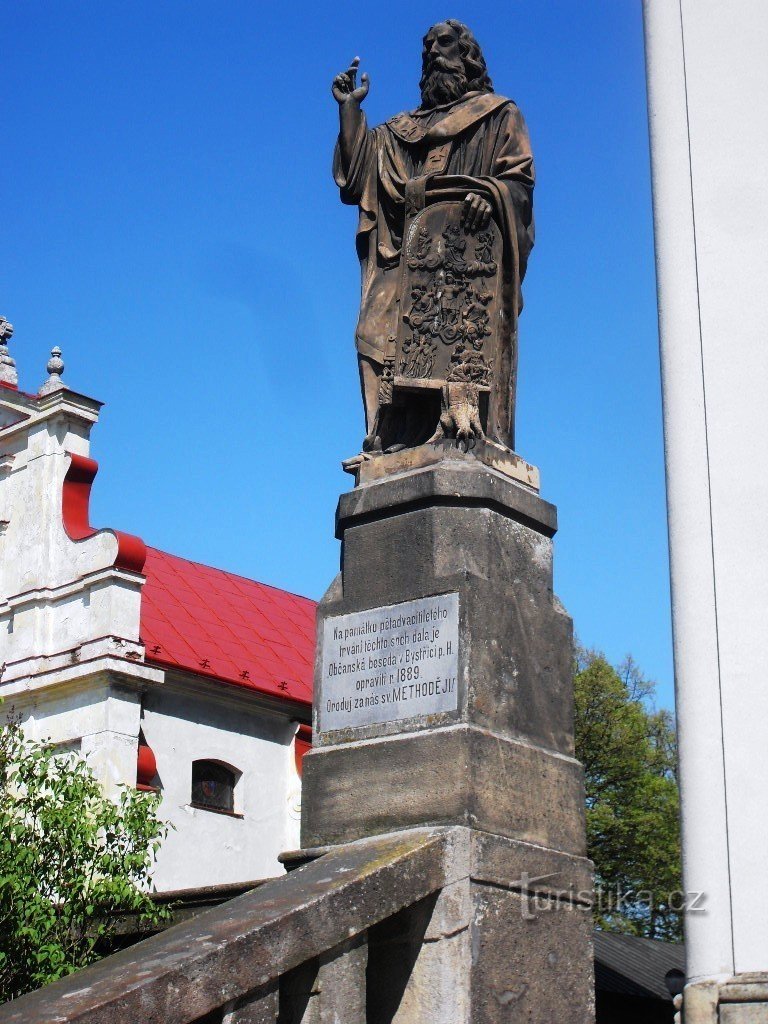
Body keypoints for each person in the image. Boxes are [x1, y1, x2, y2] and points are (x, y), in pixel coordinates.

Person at [332, 20, 535, 452]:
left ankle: (457, 430)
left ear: (467, 56)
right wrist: (349, 112)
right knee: (371, 330)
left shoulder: (499, 115)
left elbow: (518, 185)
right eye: (427, 46)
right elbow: (359, 176)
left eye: (443, 43)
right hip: (406, 251)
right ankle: (390, 434)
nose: (432, 52)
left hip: (463, 251)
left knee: (454, 333)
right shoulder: (403, 129)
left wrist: (491, 195)